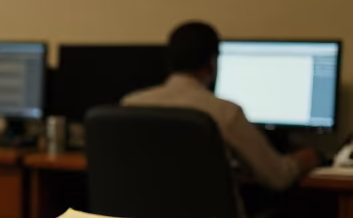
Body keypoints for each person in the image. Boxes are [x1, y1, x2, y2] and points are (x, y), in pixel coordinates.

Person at [122, 21, 320, 190]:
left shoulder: (129, 106)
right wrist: (304, 158)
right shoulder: (225, 112)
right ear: (212, 62)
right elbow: (277, 177)